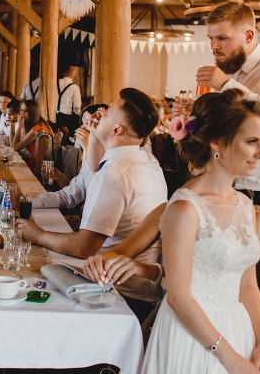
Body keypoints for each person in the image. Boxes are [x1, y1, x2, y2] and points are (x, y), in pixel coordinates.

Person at [140, 89, 260, 373]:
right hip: (194, 336)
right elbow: (178, 296)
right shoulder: (185, 209)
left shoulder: (245, 206)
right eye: (252, 142)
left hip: (239, 328)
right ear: (218, 143)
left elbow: (247, 284)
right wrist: (230, 359)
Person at [176, 1, 260, 221]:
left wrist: (226, 86)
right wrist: (195, 113)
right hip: (220, 184)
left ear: (248, 35)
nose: (214, 46)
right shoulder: (227, 71)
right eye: (211, 38)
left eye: (222, 38)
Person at [19, 88, 166, 261]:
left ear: (116, 130)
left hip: (110, 279)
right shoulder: (149, 162)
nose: (99, 113)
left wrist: (38, 235)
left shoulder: (112, 175)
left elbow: (84, 247)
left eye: (107, 112)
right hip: (137, 276)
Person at [11, 99, 52, 169]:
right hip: (38, 163)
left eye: (26, 111)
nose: (22, 113)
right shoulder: (41, 124)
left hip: (35, 166)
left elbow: (14, 148)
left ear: (33, 113)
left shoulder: (35, 130)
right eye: (21, 110)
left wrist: (19, 127)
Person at [56, 66, 82, 136]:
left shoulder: (55, 83)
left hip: (53, 116)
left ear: (64, 73)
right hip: (65, 118)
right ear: (74, 77)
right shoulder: (74, 87)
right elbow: (77, 106)